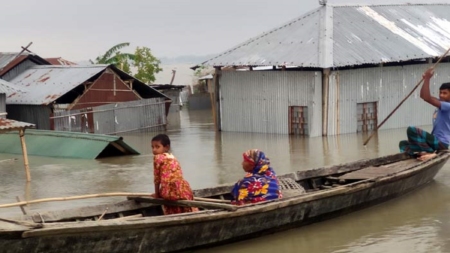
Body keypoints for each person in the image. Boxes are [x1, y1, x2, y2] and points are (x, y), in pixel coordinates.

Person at [399, 68, 450, 161]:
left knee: (412, 130)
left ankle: (429, 153)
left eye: (445, 93)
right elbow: (424, 96)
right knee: (403, 144)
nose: (441, 95)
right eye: (440, 93)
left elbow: (427, 98)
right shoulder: (441, 103)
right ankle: (425, 153)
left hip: (441, 143)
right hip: (434, 141)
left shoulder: (448, 106)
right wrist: (425, 80)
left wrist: (427, 79)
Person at [151, 134, 197, 215]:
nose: (154, 150)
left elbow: (157, 179)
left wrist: (157, 194)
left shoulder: (157, 158)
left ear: (166, 147)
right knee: (186, 205)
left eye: (157, 147)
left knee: (167, 198)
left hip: (169, 192)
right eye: (152, 147)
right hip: (183, 190)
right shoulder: (172, 157)